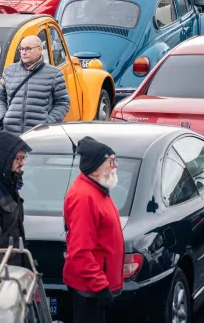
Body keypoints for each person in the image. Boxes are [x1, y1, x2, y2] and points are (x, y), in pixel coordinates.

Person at [63, 137, 124, 323]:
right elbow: (80, 251)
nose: (116, 166)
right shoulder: (84, 198)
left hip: (96, 286)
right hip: (90, 289)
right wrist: (100, 287)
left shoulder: (98, 189)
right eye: (110, 162)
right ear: (95, 168)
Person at [0, 35, 70, 134]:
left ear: (40, 49)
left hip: (38, 135)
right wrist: (3, 118)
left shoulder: (54, 74)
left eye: (28, 49)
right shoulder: (9, 71)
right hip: (11, 133)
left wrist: (48, 123)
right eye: (21, 49)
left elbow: (63, 103)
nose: (23, 52)